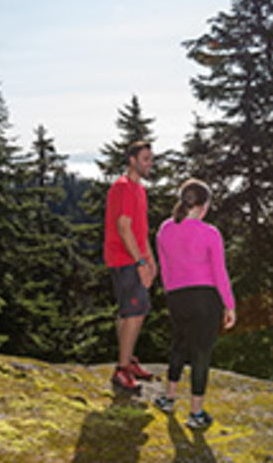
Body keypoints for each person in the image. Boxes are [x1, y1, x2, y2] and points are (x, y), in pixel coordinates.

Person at [153, 178, 237, 429]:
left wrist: (171, 295)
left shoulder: (165, 229)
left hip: (176, 297)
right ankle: (196, 413)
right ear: (204, 205)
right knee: (201, 353)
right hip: (205, 298)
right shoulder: (210, 233)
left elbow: (165, 268)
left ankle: (169, 399)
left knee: (179, 344)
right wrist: (229, 305)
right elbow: (220, 273)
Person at [105, 140, 158, 392]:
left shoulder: (139, 189)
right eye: (145, 159)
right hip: (123, 259)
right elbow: (123, 228)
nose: (150, 164)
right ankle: (122, 369)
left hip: (133, 258)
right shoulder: (123, 187)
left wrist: (150, 259)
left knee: (130, 311)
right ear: (132, 160)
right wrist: (140, 263)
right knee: (135, 311)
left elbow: (140, 230)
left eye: (151, 159)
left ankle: (127, 360)